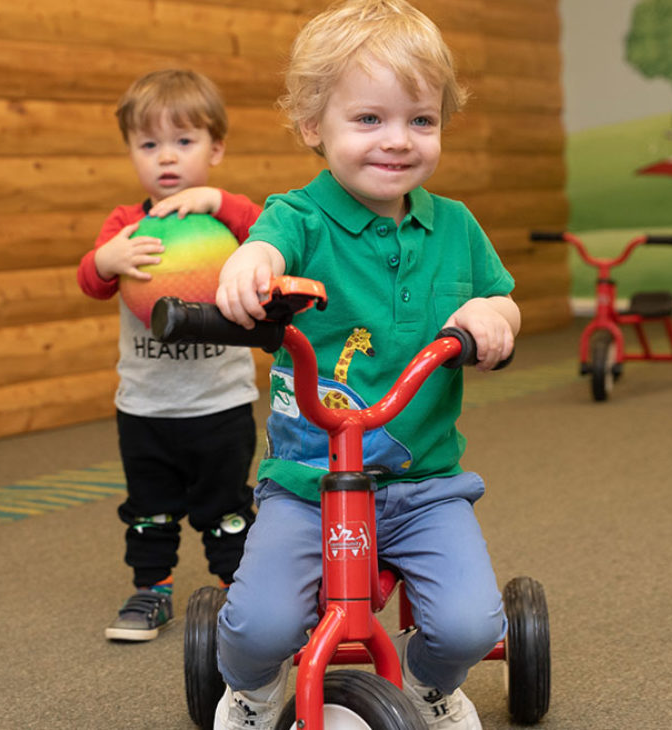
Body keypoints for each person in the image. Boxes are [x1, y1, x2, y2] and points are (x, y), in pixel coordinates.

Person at [211, 1, 520, 727]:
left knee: (474, 626)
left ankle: (423, 681)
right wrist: (252, 263)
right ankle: (251, 690)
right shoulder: (300, 217)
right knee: (258, 626)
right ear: (314, 126)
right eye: (369, 120)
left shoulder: (458, 227)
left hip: (426, 486)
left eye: (421, 120)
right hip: (307, 484)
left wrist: (489, 317)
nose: (399, 142)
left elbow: (503, 304)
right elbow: (265, 247)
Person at [76, 69, 262, 642]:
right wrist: (109, 260)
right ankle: (150, 590)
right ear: (131, 152)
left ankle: (244, 591)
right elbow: (90, 278)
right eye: (149, 144)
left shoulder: (231, 220)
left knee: (227, 507)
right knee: (149, 508)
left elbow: (267, 234)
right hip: (146, 407)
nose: (166, 158)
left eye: (185, 142)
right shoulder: (127, 226)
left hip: (222, 404)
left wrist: (221, 201)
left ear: (217, 148)